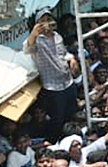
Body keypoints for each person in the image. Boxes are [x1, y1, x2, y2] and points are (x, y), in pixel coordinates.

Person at [24, 9, 79, 141]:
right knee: (57, 119)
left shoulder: (57, 36)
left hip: (67, 81)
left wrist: (71, 59)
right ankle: (57, 141)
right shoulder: (37, 41)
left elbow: (63, 53)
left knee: (71, 113)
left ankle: (71, 138)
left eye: (48, 20)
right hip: (52, 87)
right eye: (42, 21)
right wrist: (34, 33)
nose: (46, 23)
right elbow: (27, 48)